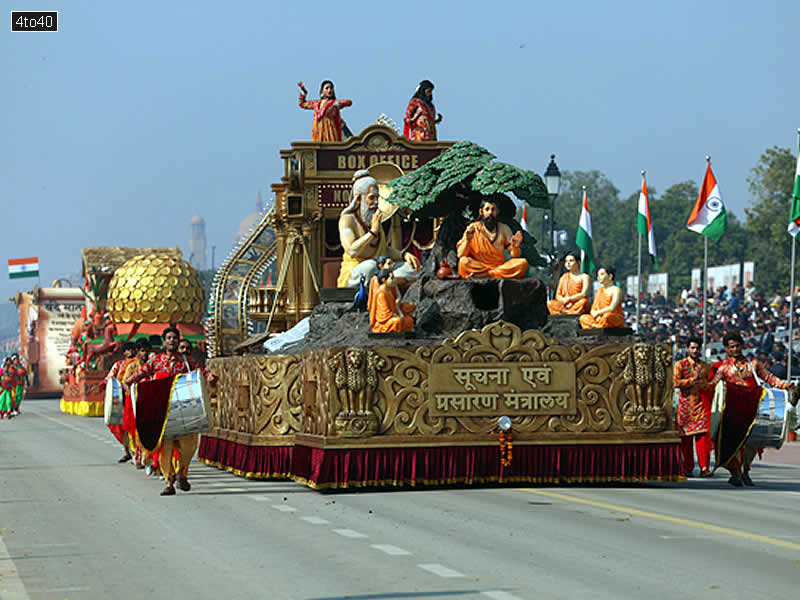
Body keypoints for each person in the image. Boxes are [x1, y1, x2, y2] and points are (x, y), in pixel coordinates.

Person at [125, 327, 216, 496]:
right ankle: (169, 482)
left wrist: (209, 375)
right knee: (165, 448)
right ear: (164, 341)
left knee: (189, 446)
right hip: (162, 412)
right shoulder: (156, 361)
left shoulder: (187, 362)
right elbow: (140, 374)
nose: (172, 340)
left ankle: (182, 473)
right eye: (169, 338)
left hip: (184, 410)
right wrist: (129, 382)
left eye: (175, 337)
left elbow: (200, 373)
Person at [707, 331, 795, 487]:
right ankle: (736, 473)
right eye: (731, 347)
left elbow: (768, 378)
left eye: (738, 346)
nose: (735, 349)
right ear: (726, 349)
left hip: (753, 409)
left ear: (742, 346)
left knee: (752, 444)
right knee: (733, 444)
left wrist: (784, 385)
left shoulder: (753, 364)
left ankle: (746, 471)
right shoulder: (722, 368)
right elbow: (713, 387)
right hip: (733, 411)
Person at [337, 170, 420, 287]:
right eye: (371, 198)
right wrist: (372, 233)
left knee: (412, 269)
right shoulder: (347, 219)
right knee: (370, 266)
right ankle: (388, 283)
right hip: (357, 271)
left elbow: (384, 250)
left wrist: (403, 255)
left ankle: (387, 283)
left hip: (380, 268)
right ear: (359, 199)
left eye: (377, 198)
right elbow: (352, 251)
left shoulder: (374, 219)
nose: (376, 202)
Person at [457, 199, 528, 279]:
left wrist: (515, 247)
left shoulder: (504, 229)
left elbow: (515, 255)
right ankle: (493, 274)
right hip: (479, 267)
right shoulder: (473, 228)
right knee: (463, 262)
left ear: (497, 212)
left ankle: (487, 275)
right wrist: (467, 240)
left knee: (522, 263)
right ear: (481, 212)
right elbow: (461, 254)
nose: (490, 212)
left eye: (493, 210)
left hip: (500, 266)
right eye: (487, 209)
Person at [673, 338, 713, 477]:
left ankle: (704, 468)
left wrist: (704, 384)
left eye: (697, 348)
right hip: (685, 406)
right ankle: (688, 466)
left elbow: (711, 385)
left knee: (703, 437)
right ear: (687, 349)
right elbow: (675, 382)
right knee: (686, 439)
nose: (695, 351)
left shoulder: (706, 367)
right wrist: (692, 380)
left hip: (701, 405)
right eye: (693, 348)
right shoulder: (680, 365)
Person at [105, 342, 138, 463]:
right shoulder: (118, 365)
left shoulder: (140, 363)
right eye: (128, 350)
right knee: (122, 426)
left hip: (135, 397)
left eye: (133, 349)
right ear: (124, 352)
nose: (131, 352)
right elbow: (109, 378)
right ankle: (127, 451)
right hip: (121, 399)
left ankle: (137, 453)